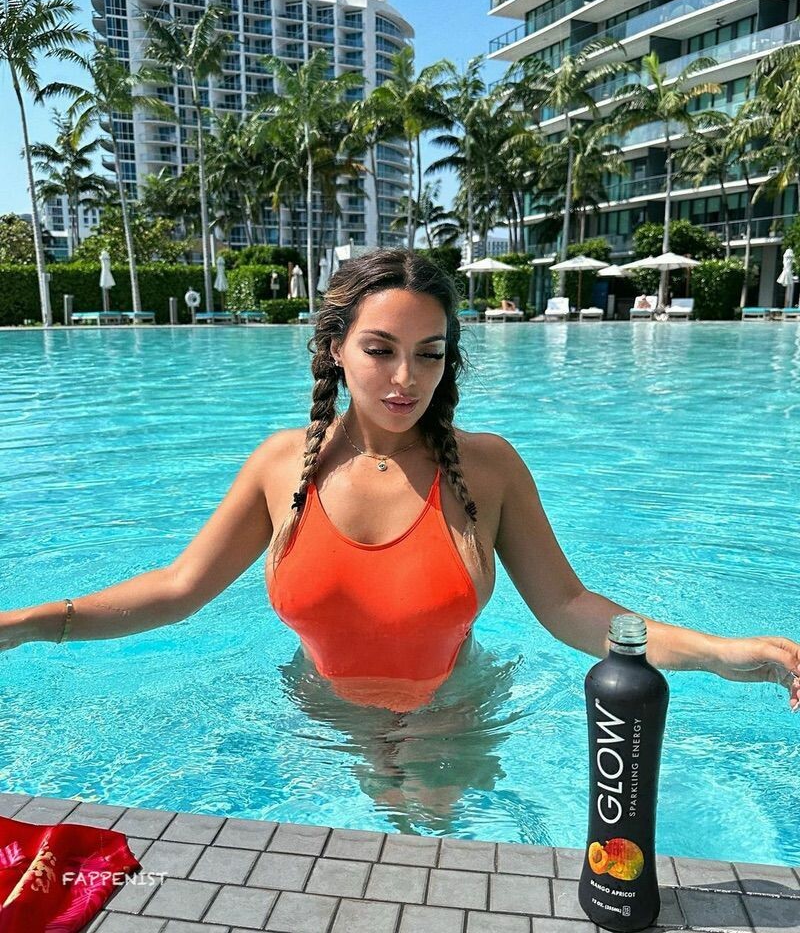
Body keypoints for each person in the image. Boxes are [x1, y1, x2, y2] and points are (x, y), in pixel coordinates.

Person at [2, 249, 799, 728]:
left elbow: (568, 607)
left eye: (429, 353)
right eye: (380, 349)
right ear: (336, 348)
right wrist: (29, 624)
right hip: (320, 717)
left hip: (455, 717)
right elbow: (178, 590)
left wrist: (723, 655)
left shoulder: (488, 469)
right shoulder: (282, 467)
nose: (405, 378)